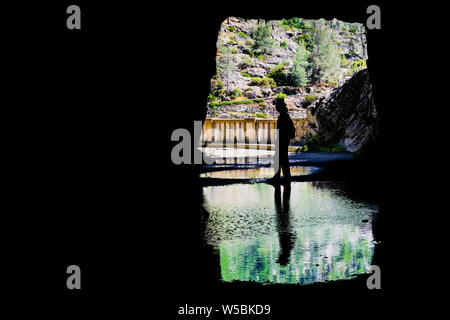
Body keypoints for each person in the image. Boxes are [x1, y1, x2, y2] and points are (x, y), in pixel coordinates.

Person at [271, 97, 295, 183]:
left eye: (277, 106)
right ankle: (285, 176)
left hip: (283, 140)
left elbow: (284, 130)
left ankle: (281, 177)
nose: (276, 107)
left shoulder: (283, 117)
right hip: (283, 140)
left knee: (280, 158)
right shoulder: (284, 116)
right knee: (283, 159)